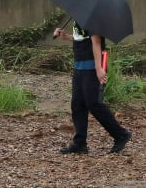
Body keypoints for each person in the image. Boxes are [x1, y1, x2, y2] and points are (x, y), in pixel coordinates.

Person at [54, 21, 132, 155]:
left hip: (91, 66)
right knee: (77, 104)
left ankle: (120, 134)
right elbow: (80, 39)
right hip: (79, 65)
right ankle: (80, 143)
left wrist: (99, 68)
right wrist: (65, 36)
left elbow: (96, 42)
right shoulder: (79, 19)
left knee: (93, 102)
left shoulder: (93, 19)